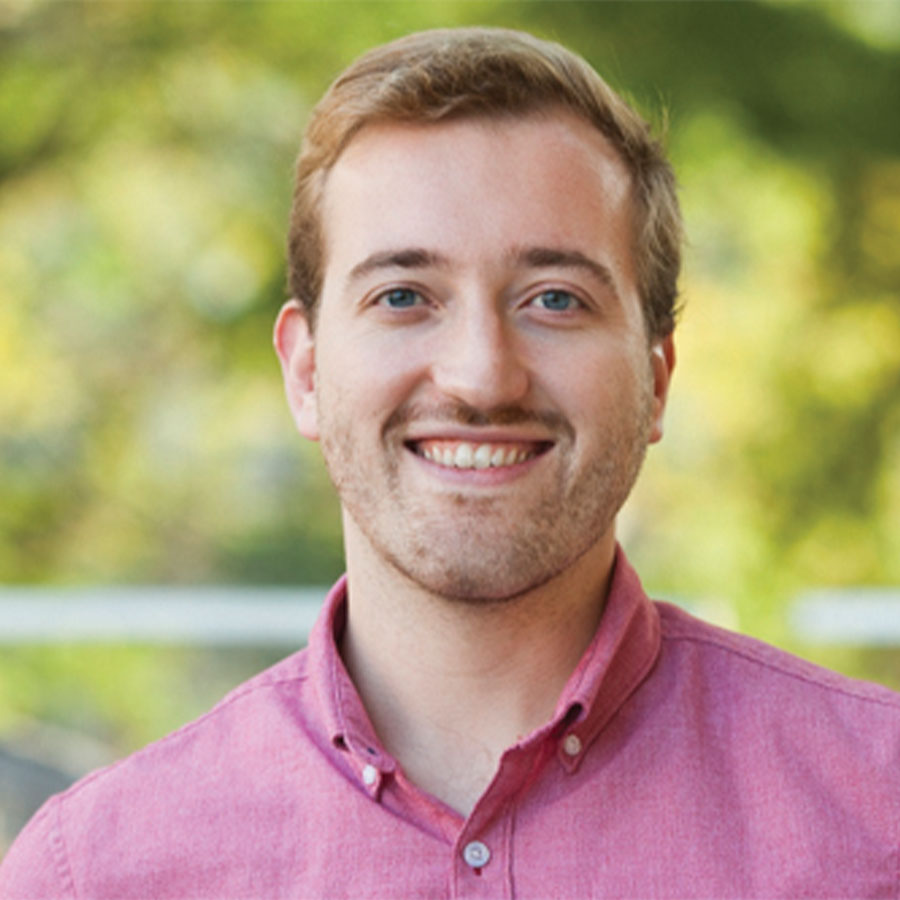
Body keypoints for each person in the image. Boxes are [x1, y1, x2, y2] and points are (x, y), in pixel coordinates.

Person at [2, 26, 900, 899]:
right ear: (307, 371)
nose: (481, 376)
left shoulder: (878, 817)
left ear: (656, 379)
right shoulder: (96, 875)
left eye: (555, 298)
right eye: (403, 296)